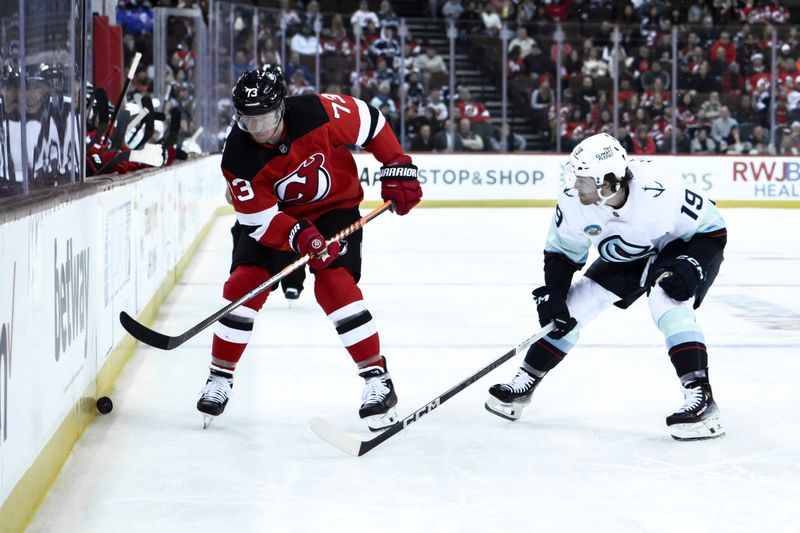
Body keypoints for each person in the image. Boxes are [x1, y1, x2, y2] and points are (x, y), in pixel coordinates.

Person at [198, 65, 423, 430]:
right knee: (243, 285)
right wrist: (300, 235)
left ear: (282, 108)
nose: (257, 130)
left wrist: (396, 163)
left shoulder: (318, 112)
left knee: (334, 284)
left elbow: (369, 121)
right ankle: (219, 377)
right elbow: (259, 222)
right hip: (278, 220)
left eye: (265, 119)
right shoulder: (238, 157)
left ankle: (377, 379)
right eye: (247, 120)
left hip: (335, 209)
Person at [485, 133, 727, 441]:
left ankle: (701, 397)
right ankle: (524, 383)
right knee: (575, 306)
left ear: (608, 181)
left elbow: (712, 230)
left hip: (686, 243)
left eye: (583, 179)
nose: (575, 185)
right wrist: (554, 294)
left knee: (666, 300)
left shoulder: (659, 188)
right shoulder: (574, 201)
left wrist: (692, 265)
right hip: (631, 250)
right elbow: (561, 254)